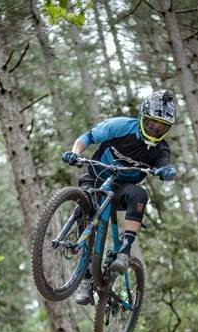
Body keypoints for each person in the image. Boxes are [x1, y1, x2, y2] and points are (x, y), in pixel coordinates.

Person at [61, 89, 179, 305]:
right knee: (86, 206)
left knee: (140, 194)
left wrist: (167, 170)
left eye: (162, 126)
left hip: (122, 190)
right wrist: (76, 153)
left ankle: (124, 253)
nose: (155, 129)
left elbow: (164, 162)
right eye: (152, 122)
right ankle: (85, 277)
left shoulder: (160, 148)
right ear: (143, 116)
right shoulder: (121, 126)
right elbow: (86, 137)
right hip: (96, 179)